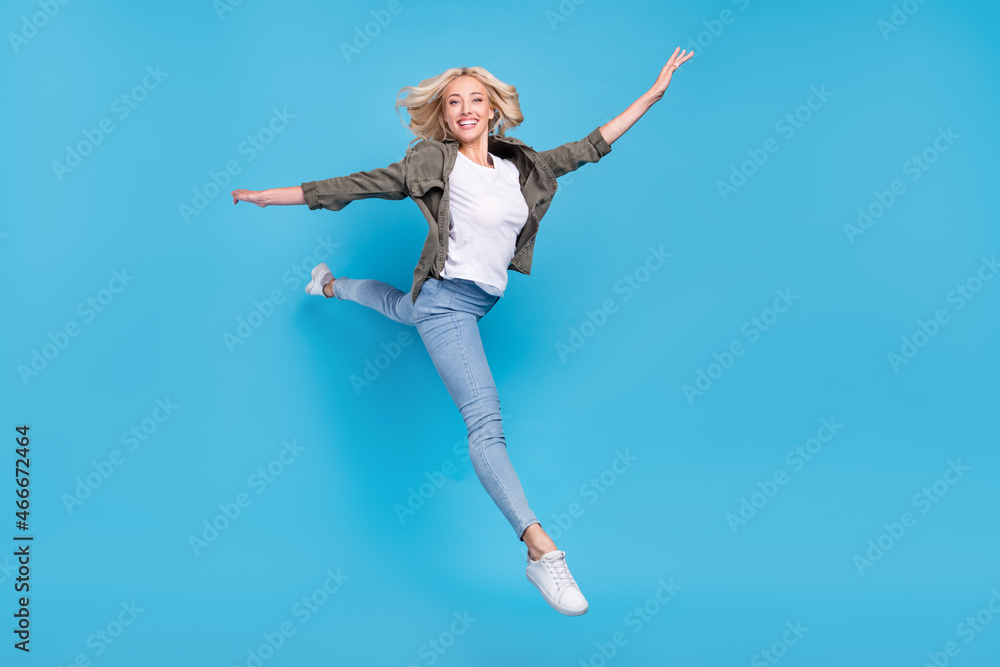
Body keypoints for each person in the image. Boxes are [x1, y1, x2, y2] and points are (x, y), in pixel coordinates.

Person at [231, 47, 693, 615]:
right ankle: (540, 552)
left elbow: (590, 147)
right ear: (445, 116)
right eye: (454, 102)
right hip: (449, 304)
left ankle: (328, 285)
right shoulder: (431, 166)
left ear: (494, 109)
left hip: (471, 303)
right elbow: (350, 186)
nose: (466, 108)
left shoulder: (522, 167)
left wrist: (651, 94)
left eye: (477, 99)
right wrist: (265, 196)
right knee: (485, 422)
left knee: (403, 307)